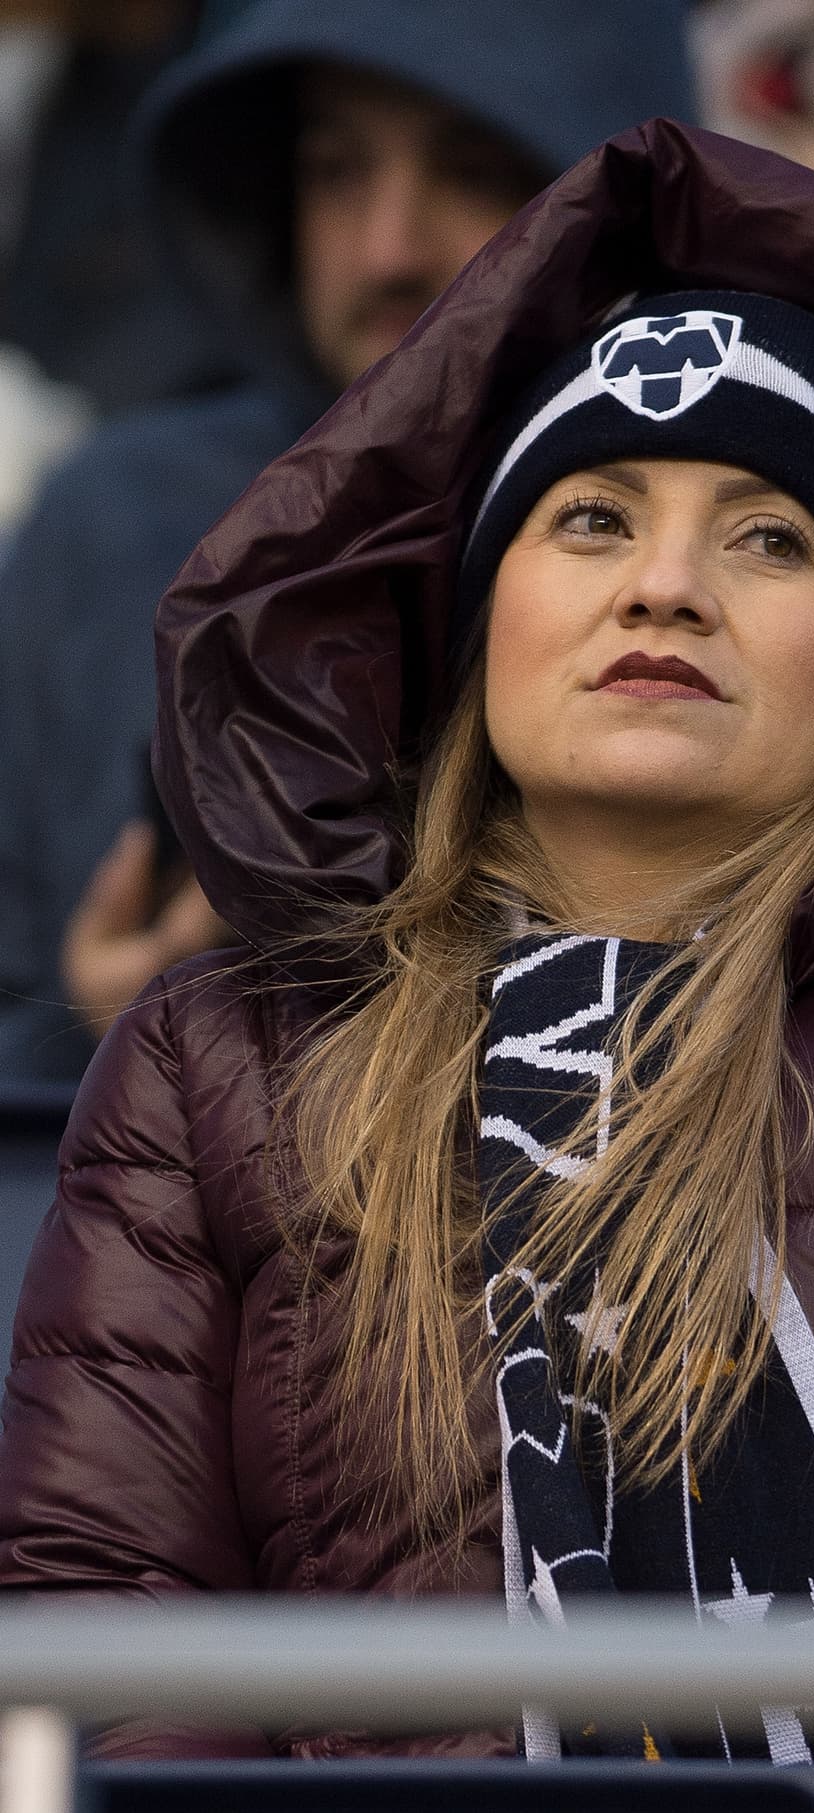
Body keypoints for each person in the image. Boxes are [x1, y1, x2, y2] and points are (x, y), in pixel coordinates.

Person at [2, 118, 814, 1813]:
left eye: (772, 540)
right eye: (592, 517)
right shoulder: (218, 1058)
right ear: (479, 620)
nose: (664, 585)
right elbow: (102, 1613)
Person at [0, 0, 694, 1080]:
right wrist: (97, 1031)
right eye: (335, 171)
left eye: (471, 169)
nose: (388, 247)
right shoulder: (116, 519)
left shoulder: (738, 559)